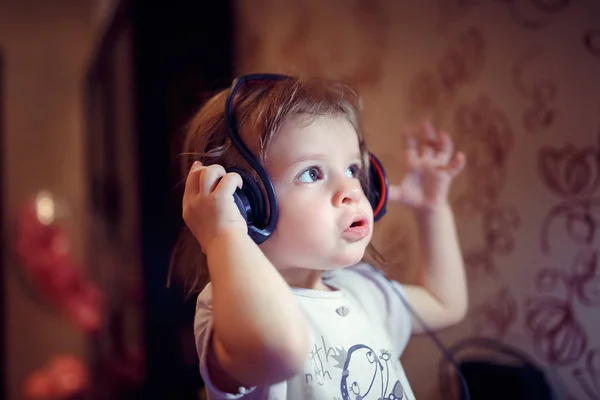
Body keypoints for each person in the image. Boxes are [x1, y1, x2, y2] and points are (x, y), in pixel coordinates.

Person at [170, 74, 468, 400]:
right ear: (249, 204)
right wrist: (224, 235)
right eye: (312, 173)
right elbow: (278, 350)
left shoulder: (363, 291)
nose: (352, 191)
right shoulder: (229, 311)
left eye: (353, 169)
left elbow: (445, 303)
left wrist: (432, 210)